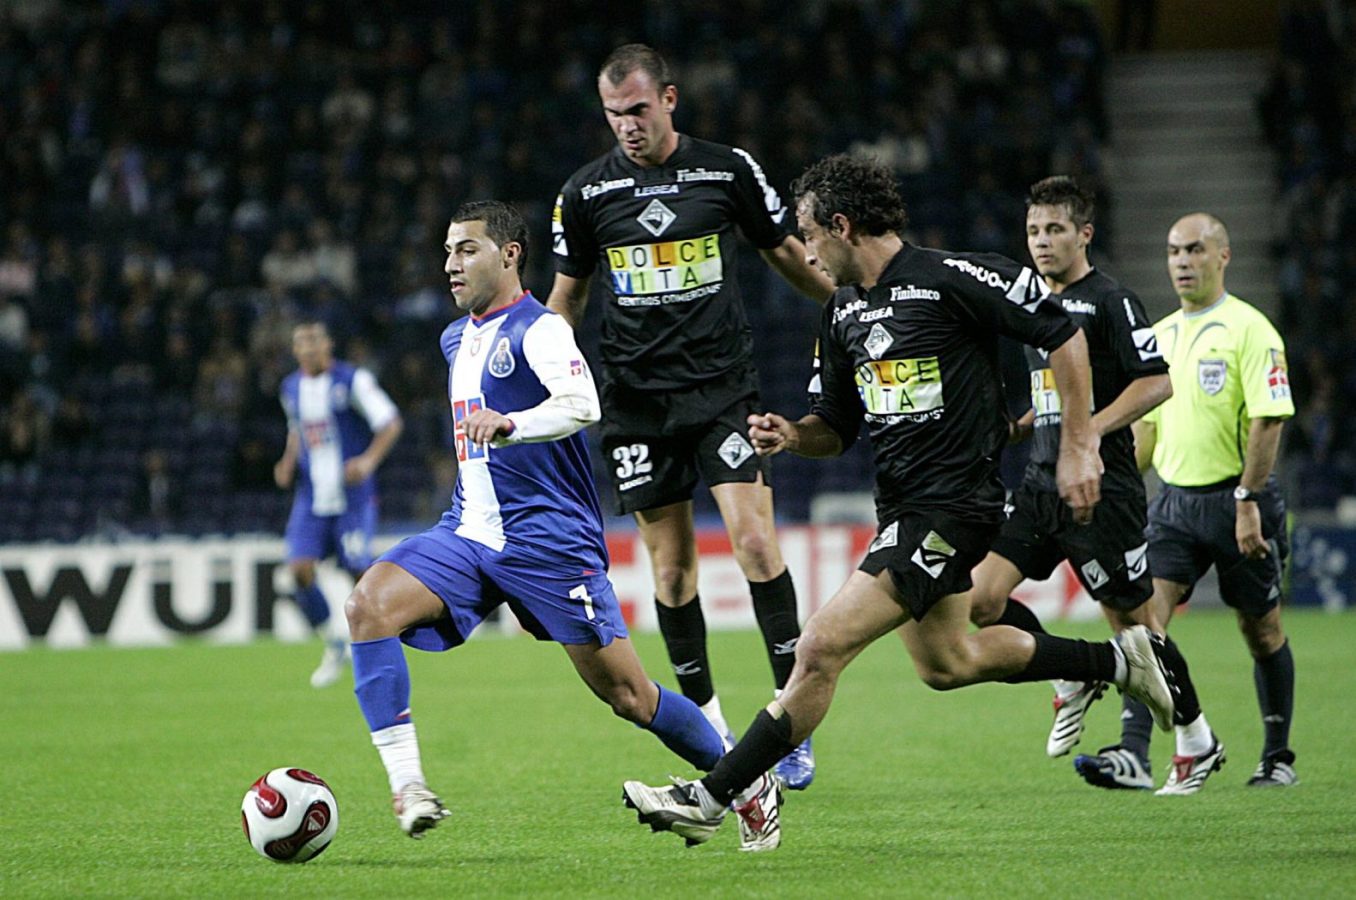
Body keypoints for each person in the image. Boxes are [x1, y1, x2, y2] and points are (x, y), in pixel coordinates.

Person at [620, 154, 1176, 850]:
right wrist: (792, 435)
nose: (806, 253)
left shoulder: (955, 277)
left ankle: (714, 796)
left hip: (954, 509)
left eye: (809, 236)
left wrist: (1078, 443)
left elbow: (1063, 334)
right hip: (903, 509)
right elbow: (835, 427)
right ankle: (1118, 662)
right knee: (948, 663)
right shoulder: (843, 311)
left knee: (819, 646)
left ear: (842, 226)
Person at [343, 201, 750, 843]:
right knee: (367, 607)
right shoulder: (454, 338)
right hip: (468, 531)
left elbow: (582, 404)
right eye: (448, 251)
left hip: (546, 539)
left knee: (630, 696)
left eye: (467, 249)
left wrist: (513, 424)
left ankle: (745, 783)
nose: (451, 265)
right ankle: (409, 787)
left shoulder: (541, 329)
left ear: (510, 254)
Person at [547, 44, 835, 790]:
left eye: (638, 110)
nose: (627, 125)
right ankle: (709, 723)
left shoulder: (725, 170)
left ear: (669, 99)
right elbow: (567, 298)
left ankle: (790, 721)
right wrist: (539, 372)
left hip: (721, 392)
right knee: (672, 571)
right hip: (636, 405)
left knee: (756, 544)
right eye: (614, 115)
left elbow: (786, 252)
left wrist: (852, 302)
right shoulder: (585, 193)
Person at [966, 177, 1223, 795]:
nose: (1041, 241)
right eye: (1033, 230)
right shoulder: (1029, 300)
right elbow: (1054, 393)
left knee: (1137, 628)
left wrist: (1086, 433)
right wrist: (1021, 426)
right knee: (978, 600)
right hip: (1039, 485)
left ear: (1084, 234)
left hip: (1103, 491)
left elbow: (1156, 382)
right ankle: (1071, 670)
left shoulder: (1112, 300)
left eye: (1054, 229)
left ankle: (1197, 737)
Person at [1076, 213, 1299, 788]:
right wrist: (1103, 479)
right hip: (1174, 505)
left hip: (1238, 500)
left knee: (1261, 631)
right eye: (1174, 251)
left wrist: (1248, 499)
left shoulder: (1251, 329)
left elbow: (1269, 421)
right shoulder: (1161, 335)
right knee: (1141, 625)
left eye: (1195, 250)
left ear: (1222, 256)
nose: (1182, 261)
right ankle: (1134, 754)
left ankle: (1276, 758)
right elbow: (1147, 433)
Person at [275, 320, 403, 688]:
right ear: (295, 350)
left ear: (328, 344)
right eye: (302, 342)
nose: (309, 347)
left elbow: (390, 422)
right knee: (299, 570)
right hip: (311, 496)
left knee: (359, 575)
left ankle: (378, 646)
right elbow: (296, 429)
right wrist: (287, 461)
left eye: (315, 340)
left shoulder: (353, 380)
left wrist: (368, 461)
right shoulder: (290, 388)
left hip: (352, 497)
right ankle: (334, 643)